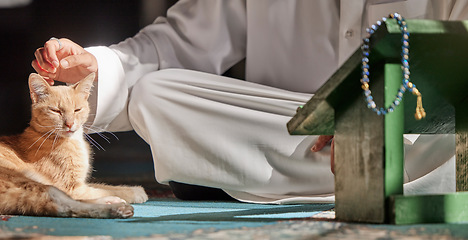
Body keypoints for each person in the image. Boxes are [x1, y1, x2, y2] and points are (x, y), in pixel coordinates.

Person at [32, 0, 468, 203]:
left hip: (414, 134)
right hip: (288, 130)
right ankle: (358, 180)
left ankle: (290, 177)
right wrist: (96, 68)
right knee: (156, 93)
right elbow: (174, 46)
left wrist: (376, 112)